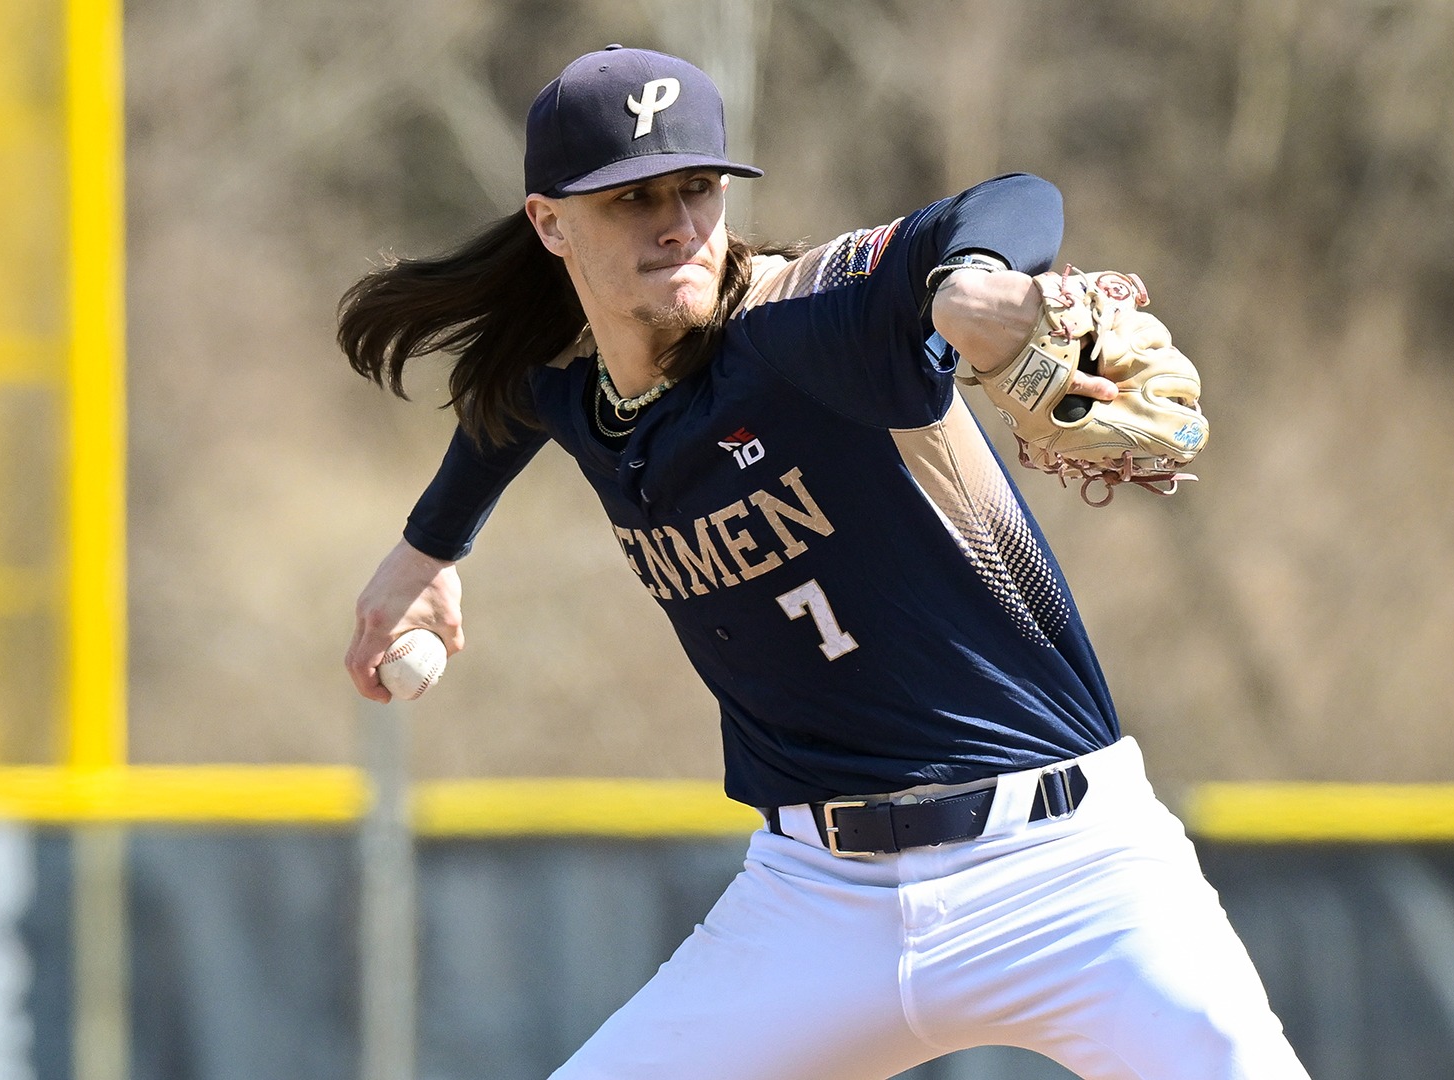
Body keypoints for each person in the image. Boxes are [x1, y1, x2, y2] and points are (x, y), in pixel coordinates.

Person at [339, 44, 1310, 1080]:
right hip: (815, 902)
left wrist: (970, 285)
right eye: (632, 198)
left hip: (1065, 874)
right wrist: (428, 548)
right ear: (550, 222)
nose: (676, 221)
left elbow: (1011, 199)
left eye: (698, 187)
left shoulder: (810, 325)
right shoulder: (578, 390)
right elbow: (510, 402)